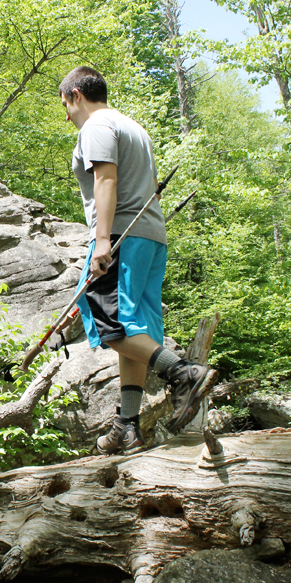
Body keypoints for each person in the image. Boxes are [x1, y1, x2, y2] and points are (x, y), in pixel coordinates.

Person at [58, 66, 215, 455]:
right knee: (136, 330)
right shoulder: (134, 128)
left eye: (65, 105)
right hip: (150, 236)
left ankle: (184, 373)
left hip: (121, 236)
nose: (66, 115)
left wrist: (100, 242)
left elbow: (106, 180)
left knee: (110, 324)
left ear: (77, 94)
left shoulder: (95, 127)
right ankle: (128, 426)